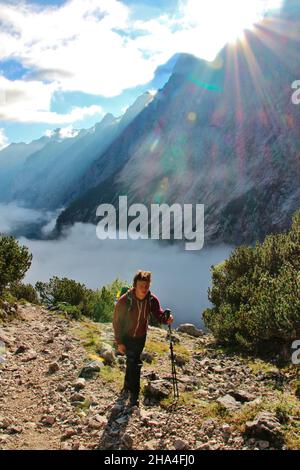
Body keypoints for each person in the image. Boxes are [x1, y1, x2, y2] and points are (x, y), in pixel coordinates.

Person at [113, 270, 174, 407]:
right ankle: (134, 393)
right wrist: (119, 342)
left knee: (132, 361)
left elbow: (158, 315)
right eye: (141, 286)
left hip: (141, 336)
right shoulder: (125, 300)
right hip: (126, 335)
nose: (144, 289)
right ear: (135, 285)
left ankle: (127, 387)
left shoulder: (151, 300)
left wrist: (167, 319)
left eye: (146, 286)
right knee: (134, 362)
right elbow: (116, 321)